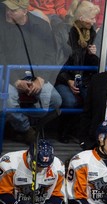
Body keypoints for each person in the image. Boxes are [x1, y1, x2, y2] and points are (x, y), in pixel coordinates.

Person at [0, 0, 62, 144]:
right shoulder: (1, 26)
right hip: (10, 76)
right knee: (7, 100)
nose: (8, 12)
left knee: (56, 100)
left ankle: (28, 126)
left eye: (13, 10)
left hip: (37, 76)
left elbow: (51, 55)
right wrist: (15, 80)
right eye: (7, 9)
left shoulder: (42, 26)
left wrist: (40, 79)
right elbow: (0, 56)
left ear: (25, 11)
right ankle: (26, 129)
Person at [54, 0, 100, 143]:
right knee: (70, 101)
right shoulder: (63, 30)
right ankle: (63, 132)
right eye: (91, 18)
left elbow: (93, 65)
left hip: (84, 78)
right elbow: (57, 61)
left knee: (93, 99)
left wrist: (93, 55)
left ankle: (85, 135)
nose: (94, 22)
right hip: (62, 77)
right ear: (81, 18)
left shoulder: (91, 32)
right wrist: (68, 80)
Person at [0, 139, 66, 204]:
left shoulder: (58, 167)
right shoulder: (9, 164)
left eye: (45, 166)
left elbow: (59, 194)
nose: (41, 169)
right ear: (29, 156)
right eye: (38, 165)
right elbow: (2, 193)